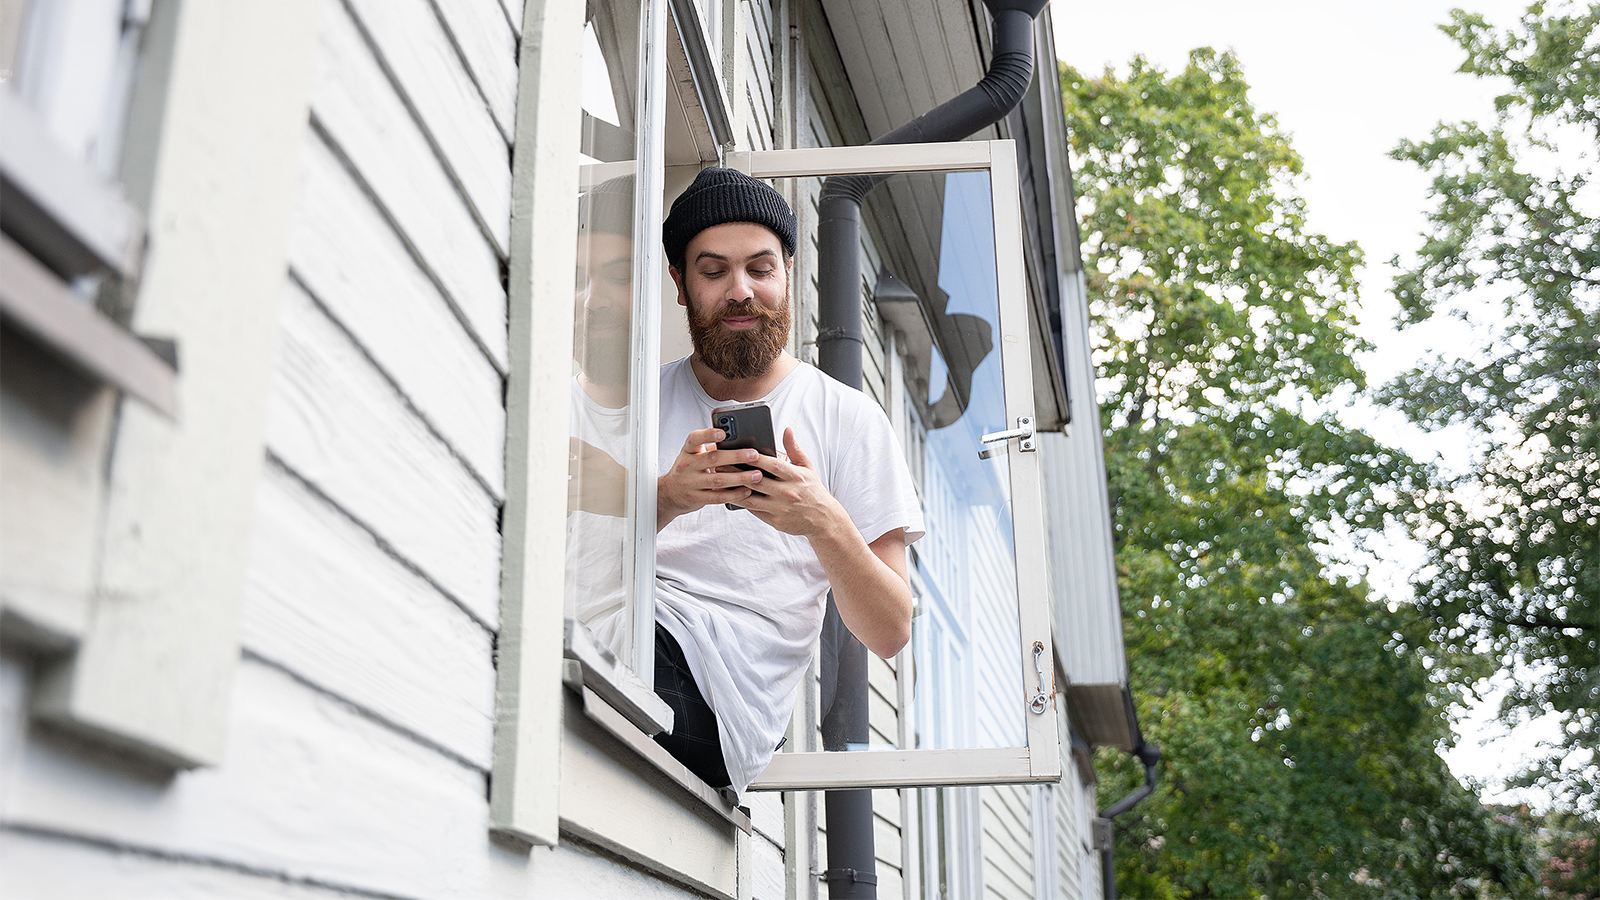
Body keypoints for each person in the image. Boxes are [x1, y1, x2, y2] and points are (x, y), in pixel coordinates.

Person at [650, 167, 924, 796]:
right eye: (714, 272)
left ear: (789, 271)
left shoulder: (848, 419)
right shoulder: (635, 398)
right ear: (681, 283)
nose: (741, 291)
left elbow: (891, 630)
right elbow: (567, 538)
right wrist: (665, 498)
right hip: (628, 628)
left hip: (724, 700)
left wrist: (822, 520)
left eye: (760, 268)